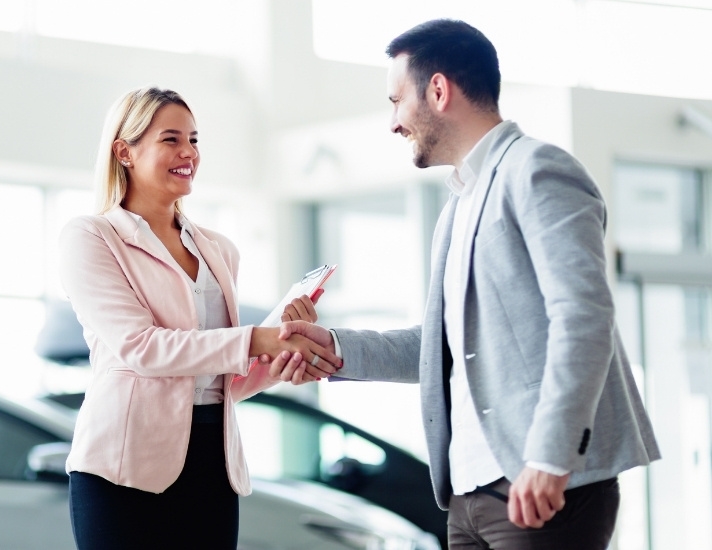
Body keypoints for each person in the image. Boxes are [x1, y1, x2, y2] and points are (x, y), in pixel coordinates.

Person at [274, 19, 661, 549]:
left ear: (438, 90)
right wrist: (336, 349)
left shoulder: (538, 170)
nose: (393, 123)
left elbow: (584, 316)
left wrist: (551, 456)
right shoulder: (457, 207)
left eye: (396, 100)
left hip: (539, 486)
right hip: (468, 496)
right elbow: (444, 346)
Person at [59, 86, 340, 550]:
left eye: (193, 140)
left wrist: (281, 356)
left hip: (213, 464)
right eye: (171, 139)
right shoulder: (92, 237)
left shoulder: (219, 250)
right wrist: (258, 340)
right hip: (123, 469)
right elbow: (142, 348)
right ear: (124, 152)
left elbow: (223, 380)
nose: (188, 152)